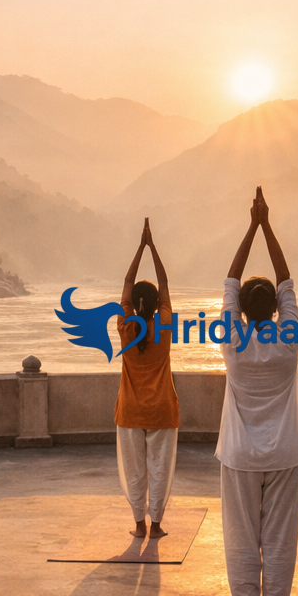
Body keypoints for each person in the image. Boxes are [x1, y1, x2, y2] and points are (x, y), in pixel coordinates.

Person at [217, 187, 298, 596]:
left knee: (240, 535)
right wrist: (266, 225)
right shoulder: (288, 340)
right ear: (277, 310)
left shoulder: (232, 341)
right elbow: (286, 281)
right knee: (280, 537)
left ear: (239, 311)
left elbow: (229, 283)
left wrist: (252, 226)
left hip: (239, 455)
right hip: (284, 453)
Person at [115, 217, 180, 539]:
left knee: (135, 471)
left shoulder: (126, 327)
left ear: (133, 304)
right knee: (159, 470)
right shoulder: (165, 325)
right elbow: (164, 283)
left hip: (130, 412)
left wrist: (140, 247)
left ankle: (139, 525)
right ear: (157, 305)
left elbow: (127, 283)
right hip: (162, 411)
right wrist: (152, 246)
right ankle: (156, 526)